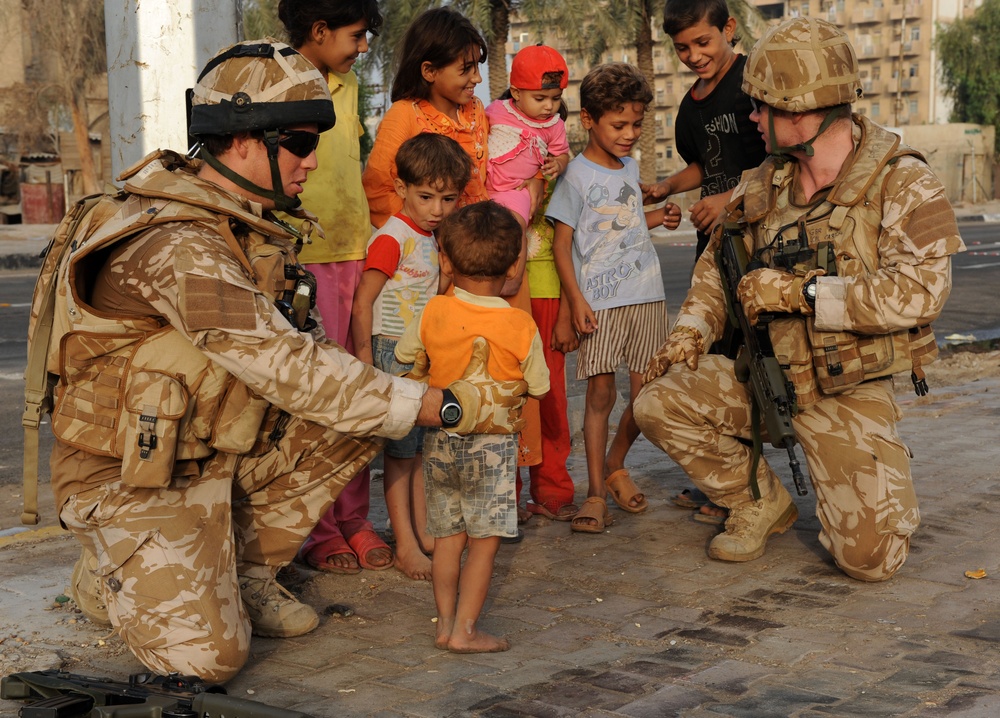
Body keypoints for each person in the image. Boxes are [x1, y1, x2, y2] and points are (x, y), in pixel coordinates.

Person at [45, 39, 526, 683]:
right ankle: (108, 566)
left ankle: (243, 571)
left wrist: (407, 392)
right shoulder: (177, 243)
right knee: (208, 661)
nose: (313, 160)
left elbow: (319, 360)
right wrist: (446, 404)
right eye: (300, 141)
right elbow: (288, 367)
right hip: (132, 476)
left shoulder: (245, 226)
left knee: (361, 411)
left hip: (206, 449)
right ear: (244, 141)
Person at [634, 17, 966, 581]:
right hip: (768, 375)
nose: (753, 118)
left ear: (803, 112)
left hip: (846, 390)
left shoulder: (901, 182)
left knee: (870, 564)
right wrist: (690, 329)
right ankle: (758, 500)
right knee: (657, 402)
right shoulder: (765, 179)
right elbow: (718, 264)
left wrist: (800, 293)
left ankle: (872, 469)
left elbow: (920, 293)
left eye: (762, 107)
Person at [396, 201, 549, 653]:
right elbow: (538, 386)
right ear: (515, 264)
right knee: (483, 544)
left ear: (445, 259)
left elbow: (406, 355)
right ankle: (466, 631)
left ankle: (444, 626)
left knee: (447, 539)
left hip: (440, 440)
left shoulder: (434, 310)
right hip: (493, 449)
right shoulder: (519, 322)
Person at [277, 0, 394, 577]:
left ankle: (355, 519)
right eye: (356, 35)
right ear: (318, 31)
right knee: (315, 399)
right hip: (304, 257)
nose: (364, 46)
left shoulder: (346, 86)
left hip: (354, 253)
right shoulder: (273, 80)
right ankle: (317, 529)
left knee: (356, 393)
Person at [645, 0, 768, 525]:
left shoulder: (754, 83)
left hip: (759, 246)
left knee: (753, 364)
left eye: (703, 43)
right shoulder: (690, 106)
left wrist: (729, 199)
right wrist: (669, 185)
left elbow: (773, 159)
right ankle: (719, 480)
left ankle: (748, 488)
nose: (694, 55)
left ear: (729, 30)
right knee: (713, 358)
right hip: (712, 254)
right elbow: (703, 162)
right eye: (683, 48)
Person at [547, 62, 669, 534]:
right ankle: (596, 492)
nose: (630, 134)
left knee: (646, 402)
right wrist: (574, 302)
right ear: (588, 120)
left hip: (648, 297)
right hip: (598, 304)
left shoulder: (633, 168)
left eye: (637, 124)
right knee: (600, 394)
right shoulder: (574, 177)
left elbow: (626, 225)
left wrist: (661, 217)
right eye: (619, 125)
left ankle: (617, 461)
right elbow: (564, 246)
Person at [351, 133, 472, 579]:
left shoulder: (431, 238)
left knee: (418, 452)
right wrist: (365, 360)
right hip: (390, 354)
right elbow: (363, 302)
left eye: (447, 198)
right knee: (400, 457)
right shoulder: (393, 237)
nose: (437, 209)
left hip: (419, 355)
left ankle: (423, 533)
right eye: (426, 197)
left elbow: (428, 301)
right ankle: (404, 543)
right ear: (401, 189)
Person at [361, 6, 489, 229]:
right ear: (429, 71)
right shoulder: (403, 115)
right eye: (467, 68)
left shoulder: (476, 110)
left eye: (477, 66)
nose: (477, 78)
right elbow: (378, 191)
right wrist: (421, 240)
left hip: (479, 243)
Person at [485, 43, 570, 228]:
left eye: (556, 98)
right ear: (516, 92)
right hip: (483, 188)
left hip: (519, 189)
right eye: (540, 99)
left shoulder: (554, 125)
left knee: (513, 232)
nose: (549, 106)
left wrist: (559, 164)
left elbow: (563, 154)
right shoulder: (497, 110)